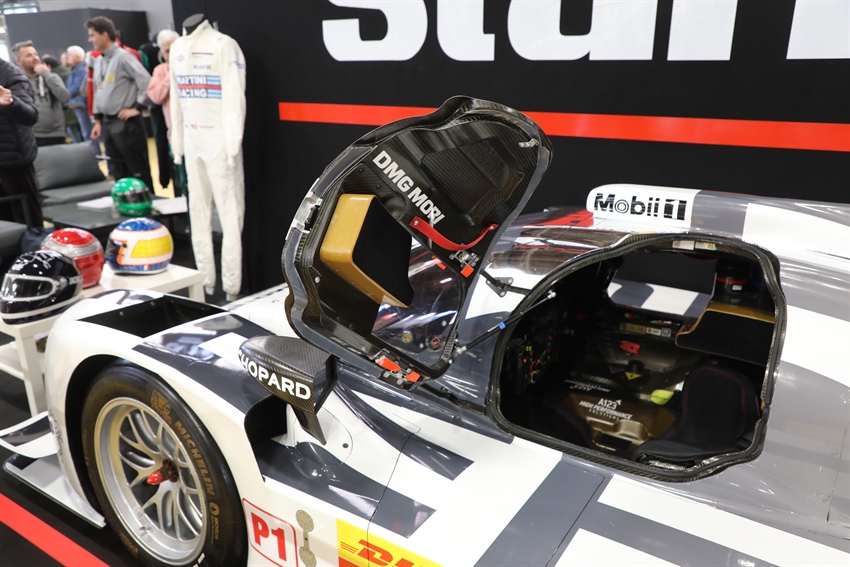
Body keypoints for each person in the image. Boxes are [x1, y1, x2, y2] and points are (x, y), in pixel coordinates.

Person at [171, 15, 247, 300]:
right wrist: (178, 144)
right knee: (198, 214)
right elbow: (176, 100)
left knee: (230, 216)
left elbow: (235, 99)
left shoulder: (223, 45)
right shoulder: (177, 47)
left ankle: (231, 288)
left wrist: (231, 145)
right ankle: (205, 283)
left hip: (220, 142)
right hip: (192, 141)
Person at [86, 16, 153, 190]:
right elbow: (99, 90)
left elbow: (147, 83)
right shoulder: (98, 61)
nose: (90, 39)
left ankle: (147, 203)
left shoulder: (124, 57)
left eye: (92, 35)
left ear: (104, 35)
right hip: (107, 124)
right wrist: (98, 121)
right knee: (118, 171)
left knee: (137, 170)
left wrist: (137, 107)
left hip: (126, 124)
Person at [0, 58, 43, 228]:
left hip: (14, 164)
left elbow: (31, 115)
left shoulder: (10, 75)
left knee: (28, 224)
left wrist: (11, 102)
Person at [146, 29, 186, 194]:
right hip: (175, 136)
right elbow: (155, 96)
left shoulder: (190, 65)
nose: (172, 54)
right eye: (168, 51)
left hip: (197, 133)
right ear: (162, 53)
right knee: (183, 180)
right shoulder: (161, 71)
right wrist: (171, 75)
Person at [13, 40, 71, 147]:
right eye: (29, 55)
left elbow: (65, 97)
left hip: (57, 135)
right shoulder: (17, 83)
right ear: (18, 61)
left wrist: (46, 74)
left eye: (35, 54)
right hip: (32, 137)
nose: (35, 58)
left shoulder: (52, 77)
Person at [41, 54, 82, 143]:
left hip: (68, 107)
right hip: (72, 106)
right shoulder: (66, 71)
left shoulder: (54, 76)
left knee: (76, 133)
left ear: (48, 66)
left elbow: (64, 94)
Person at [65, 45, 94, 150]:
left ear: (76, 56)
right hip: (78, 103)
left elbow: (79, 86)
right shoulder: (74, 69)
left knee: (88, 131)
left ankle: (93, 152)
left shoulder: (80, 69)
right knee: (85, 130)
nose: (67, 57)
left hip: (81, 103)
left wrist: (66, 93)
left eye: (69, 55)